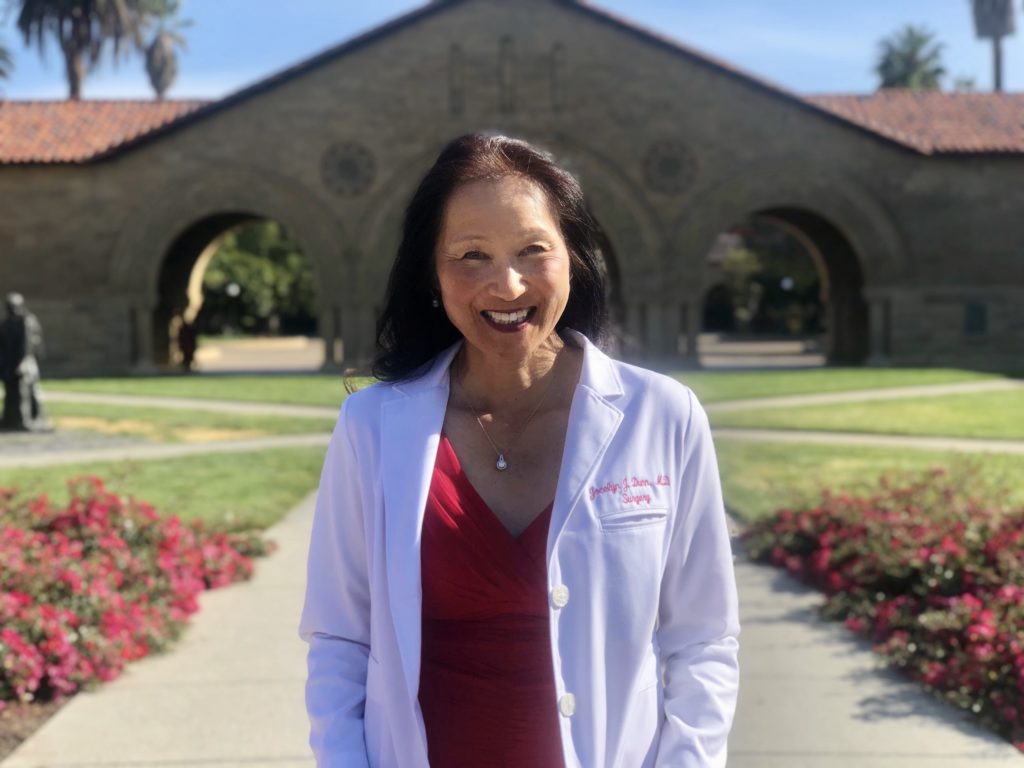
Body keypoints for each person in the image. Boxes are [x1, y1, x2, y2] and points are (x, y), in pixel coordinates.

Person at [298, 134, 741, 767]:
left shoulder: (663, 417)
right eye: (471, 255)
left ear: (574, 258)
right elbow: (340, 639)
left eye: (533, 249)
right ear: (433, 272)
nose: (506, 285)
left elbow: (703, 639)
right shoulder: (371, 428)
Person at [0, 292, 50, 432]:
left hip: (25, 362)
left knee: (28, 392)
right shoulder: (6, 323)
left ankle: (29, 419)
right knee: (11, 393)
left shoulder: (26, 321)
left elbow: (28, 343)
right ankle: (11, 419)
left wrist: (23, 361)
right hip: (9, 364)